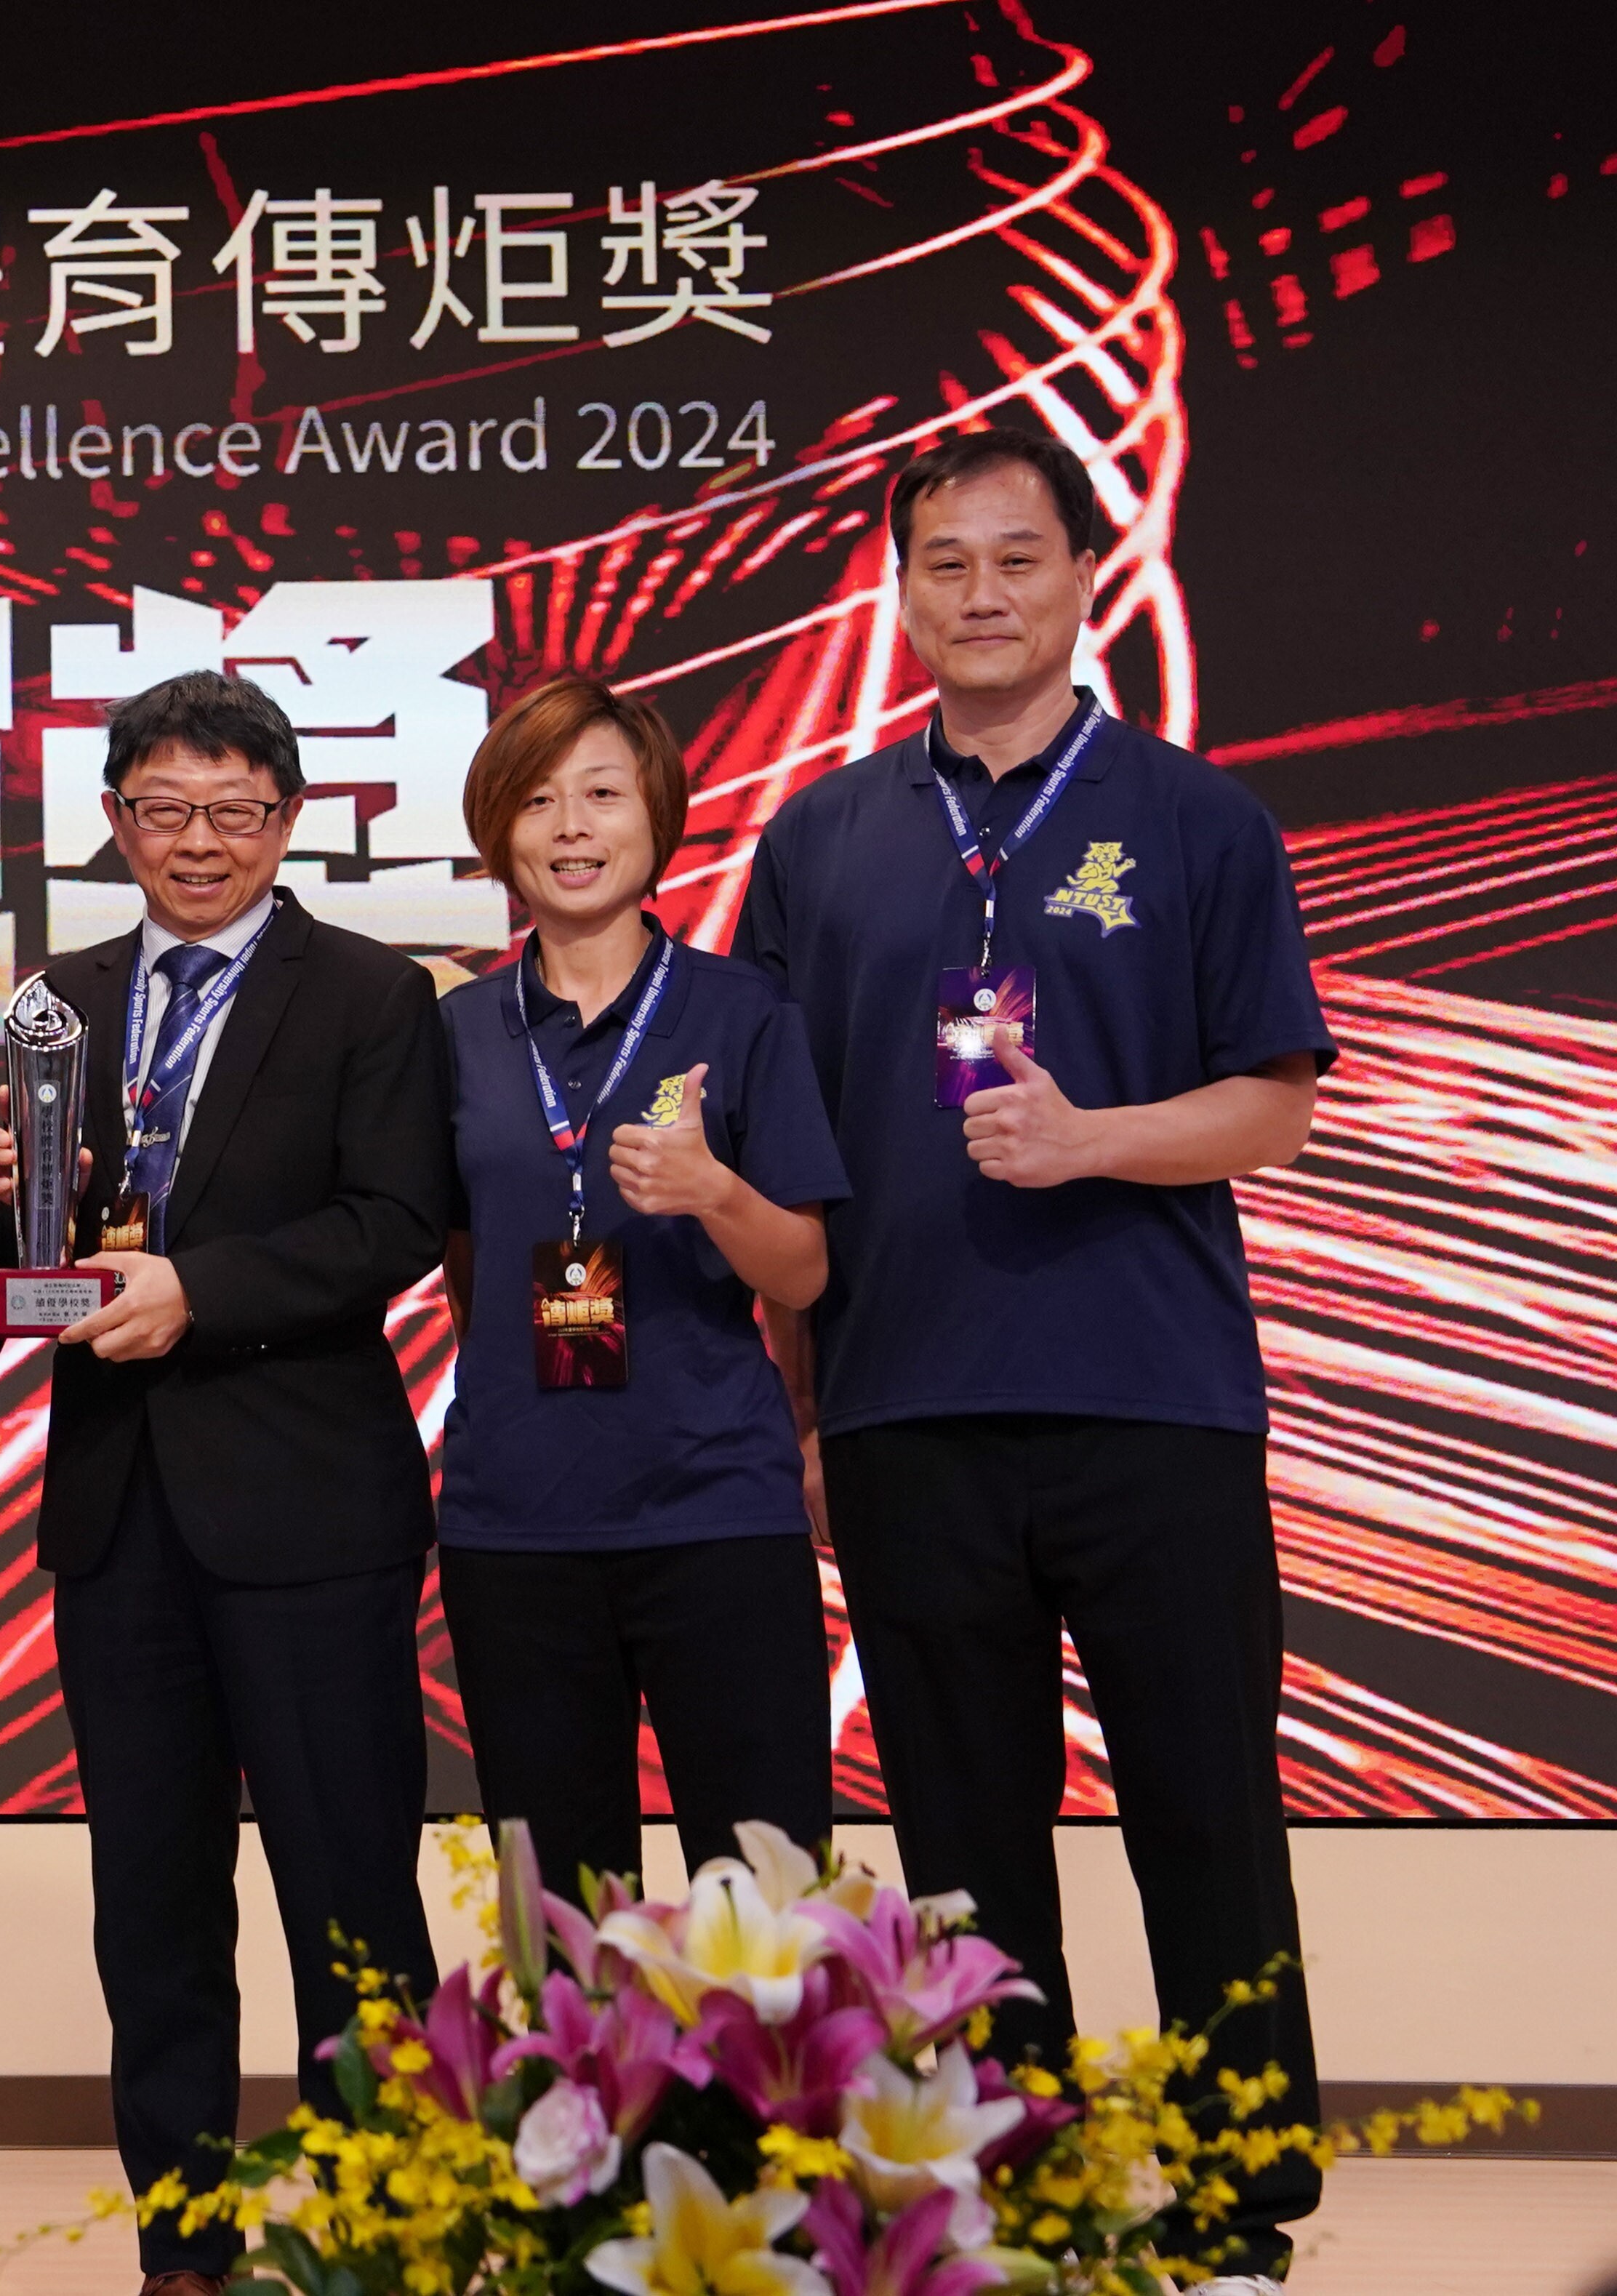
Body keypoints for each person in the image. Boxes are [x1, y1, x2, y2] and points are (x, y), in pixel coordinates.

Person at [736, 428, 1332, 2280]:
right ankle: (1012, 2193)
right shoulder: (819, 840)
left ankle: (1243, 2199)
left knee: (1205, 1814)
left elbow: (1274, 1100)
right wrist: (804, 1412)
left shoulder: (1193, 816)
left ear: (1086, 571)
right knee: (963, 1852)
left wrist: (1093, 1140)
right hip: (905, 1407)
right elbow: (779, 1146)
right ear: (897, 590)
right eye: (942, 562)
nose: (979, 592)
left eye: (1015, 556)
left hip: (1148, 1395)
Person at [0, 670, 449, 2296]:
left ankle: (381, 2232)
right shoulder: (52, 1003)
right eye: (165, 810)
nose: (199, 842)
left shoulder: (372, 995)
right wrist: (7, 1229)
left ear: (289, 821)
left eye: (235, 814)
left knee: (350, 1894)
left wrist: (201, 1289)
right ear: (113, 819)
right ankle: (181, 2243)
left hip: (309, 1507)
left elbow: (394, 1223)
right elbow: (37, 1251)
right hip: (118, 1512)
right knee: (154, 1907)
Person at [431, 675, 846, 1906]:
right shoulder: (454, 1031)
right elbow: (452, 1255)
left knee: (769, 1900)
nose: (571, 828)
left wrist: (716, 1191)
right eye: (539, 800)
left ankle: (765, 2111)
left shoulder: (743, 1012)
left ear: (658, 818)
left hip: (717, 1506)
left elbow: (805, 1269)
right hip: (517, 1521)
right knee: (558, 1912)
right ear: (498, 832)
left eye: (603, 795)